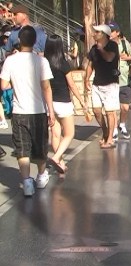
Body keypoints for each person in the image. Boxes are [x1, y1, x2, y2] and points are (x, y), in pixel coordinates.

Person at [0, 25, 55, 196]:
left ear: (19, 40)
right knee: (40, 146)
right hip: (38, 111)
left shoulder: (10, 60)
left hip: (19, 111)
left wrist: (15, 84)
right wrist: (51, 111)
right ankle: (40, 176)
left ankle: (26, 181)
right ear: (34, 41)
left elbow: (3, 85)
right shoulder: (41, 61)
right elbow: (46, 87)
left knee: (22, 148)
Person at [44, 34, 86, 174]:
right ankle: (57, 158)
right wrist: (82, 101)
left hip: (49, 103)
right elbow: (72, 85)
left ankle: (60, 162)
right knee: (69, 134)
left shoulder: (44, 63)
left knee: (55, 134)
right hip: (63, 102)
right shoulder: (63, 63)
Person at [84, 24, 120, 149]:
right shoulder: (93, 48)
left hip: (110, 83)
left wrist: (101, 49)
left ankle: (110, 139)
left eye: (97, 32)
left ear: (104, 34)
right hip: (97, 83)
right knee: (97, 111)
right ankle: (105, 132)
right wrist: (86, 79)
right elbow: (90, 64)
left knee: (110, 112)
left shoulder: (113, 45)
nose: (94, 34)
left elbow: (109, 58)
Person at [109, 21, 131, 141]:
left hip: (124, 80)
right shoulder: (107, 45)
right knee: (114, 107)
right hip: (111, 81)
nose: (109, 33)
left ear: (118, 33)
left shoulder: (125, 43)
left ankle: (122, 125)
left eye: (112, 31)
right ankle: (114, 129)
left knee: (125, 107)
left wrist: (128, 57)